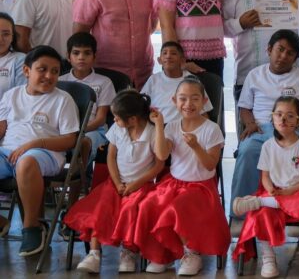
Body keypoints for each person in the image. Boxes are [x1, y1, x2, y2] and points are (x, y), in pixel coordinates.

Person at [135, 77, 230, 275]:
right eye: (183, 99)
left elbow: (211, 164)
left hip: (201, 186)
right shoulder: (171, 127)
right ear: (174, 101)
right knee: (149, 203)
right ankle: (163, 254)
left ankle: (191, 253)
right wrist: (160, 126)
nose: (188, 104)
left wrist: (196, 146)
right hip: (174, 183)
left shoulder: (211, 129)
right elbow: (162, 155)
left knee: (179, 207)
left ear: (204, 102)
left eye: (195, 99)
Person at [64, 90, 164, 274]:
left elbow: (158, 165)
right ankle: (94, 253)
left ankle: (129, 251)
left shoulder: (151, 132)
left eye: (117, 118)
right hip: (116, 183)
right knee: (100, 207)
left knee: (131, 209)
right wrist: (117, 182)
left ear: (132, 119)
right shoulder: (118, 129)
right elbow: (111, 156)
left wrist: (135, 185)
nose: (115, 121)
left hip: (141, 186)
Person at [231, 30, 299, 215]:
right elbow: (244, 107)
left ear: (295, 58)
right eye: (280, 49)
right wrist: (250, 123)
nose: (283, 56)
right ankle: (243, 214)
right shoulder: (254, 75)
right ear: (269, 49)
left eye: (290, 53)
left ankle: (288, 209)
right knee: (247, 151)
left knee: (292, 158)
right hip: (260, 130)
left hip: (291, 133)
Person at [231, 97, 299, 278]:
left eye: (290, 116)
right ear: (272, 118)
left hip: (298, 192)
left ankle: (259, 201)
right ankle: (268, 258)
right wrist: (270, 188)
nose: (283, 120)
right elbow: (265, 176)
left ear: (298, 121)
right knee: (262, 214)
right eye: (279, 115)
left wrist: (292, 190)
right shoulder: (267, 146)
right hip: (275, 192)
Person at [0, 46, 79, 256]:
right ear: (27, 71)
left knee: (26, 162)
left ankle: (32, 227)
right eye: (42, 69)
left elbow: (71, 140)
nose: (49, 76)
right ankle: (2, 222)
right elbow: (1, 129)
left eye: (54, 71)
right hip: (7, 152)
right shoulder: (11, 95)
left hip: (46, 155)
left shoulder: (63, 100)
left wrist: (34, 144)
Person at [59, 32, 117, 165]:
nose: (81, 58)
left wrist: (77, 132)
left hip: (94, 130)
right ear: (68, 56)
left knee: (83, 142)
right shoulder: (60, 81)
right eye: (76, 53)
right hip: (63, 130)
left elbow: (101, 118)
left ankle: (81, 177)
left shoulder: (104, 82)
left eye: (87, 53)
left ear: (94, 56)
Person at [140, 41, 212, 123]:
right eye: (165, 53)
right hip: (156, 127)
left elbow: (203, 111)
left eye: (173, 53)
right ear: (159, 60)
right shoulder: (153, 79)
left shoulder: (192, 80)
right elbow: (141, 106)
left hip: (183, 128)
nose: (168, 56)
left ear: (182, 60)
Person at [0, 13, 26, 99]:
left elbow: (20, 97)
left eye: (6, 34)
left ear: (12, 37)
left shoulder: (20, 60)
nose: (0, 39)